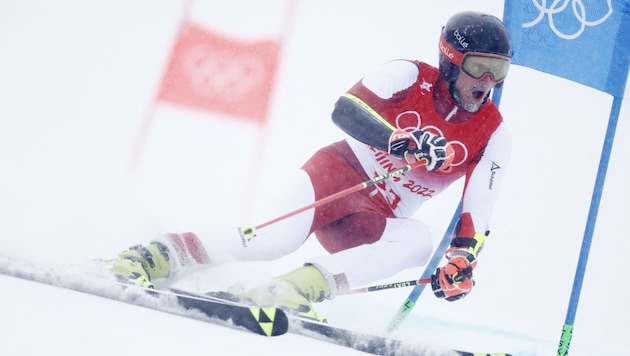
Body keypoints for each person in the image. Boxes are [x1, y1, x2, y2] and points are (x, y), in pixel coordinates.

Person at [108, 11, 512, 321]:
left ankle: (293, 289)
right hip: (336, 176)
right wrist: (395, 140)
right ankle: (151, 256)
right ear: (451, 60)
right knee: (270, 240)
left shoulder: (493, 133)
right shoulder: (408, 75)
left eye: (500, 69)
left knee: (420, 242)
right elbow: (345, 109)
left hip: (373, 220)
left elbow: (479, 209)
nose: (489, 80)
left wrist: (463, 259)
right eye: (479, 66)